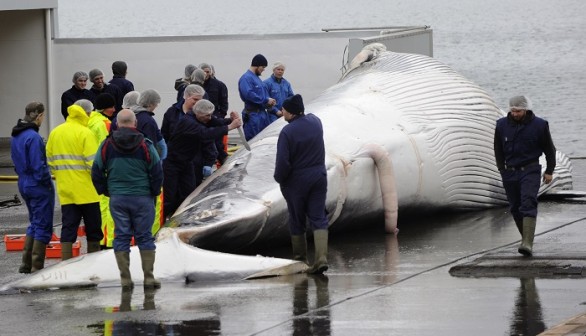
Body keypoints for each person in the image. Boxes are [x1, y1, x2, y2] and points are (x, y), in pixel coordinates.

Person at [92, 109, 164, 289]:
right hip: (143, 198)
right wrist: (153, 191)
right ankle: (148, 278)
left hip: (118, 198)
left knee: (121, 236)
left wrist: (107, 191)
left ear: (117, 123)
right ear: (135, 123)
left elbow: (96, 171)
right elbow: (157, 171)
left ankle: (125, 279)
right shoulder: (146, 145)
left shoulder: (106, 145)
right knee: (145, 237)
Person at [494, 95, 556, 257]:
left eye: (518, 111)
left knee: (528, 201)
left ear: (526, 109)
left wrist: (550, 170)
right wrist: (502, 169)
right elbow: (498, 149)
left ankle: (527, 243)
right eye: (512, 111)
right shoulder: (501, 125)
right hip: (510, 171)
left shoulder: (540, 125)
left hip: (530, 169)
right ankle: (525, 239)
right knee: (515, 207)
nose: (514, 114)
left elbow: (550, 149)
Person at [274, 94, 329, 274]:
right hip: (319, 176)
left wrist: (280, 178)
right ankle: (321, 259)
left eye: (284, 110)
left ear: (290, 112)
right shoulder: (316, 122)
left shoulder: (287, 132)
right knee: (318, 216)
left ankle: (301, 259)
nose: (282, 113)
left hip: (297, 180)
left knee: (297, 218)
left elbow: (283, 162)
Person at [163, 99, 242, 219]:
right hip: (172, 163)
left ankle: (183, 218)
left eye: (210, 114)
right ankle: (164, 219)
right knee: (170, 195)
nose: (209, 118)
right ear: (198, 113)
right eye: (207, 115)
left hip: (187, 162)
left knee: (189, 192)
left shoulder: (201, 118)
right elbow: (205, 134)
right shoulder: (187, 122)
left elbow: (215, 122)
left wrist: (230, 120)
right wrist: (230, 127)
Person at [46, 104, 103, 260]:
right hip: (88, 191)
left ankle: (66, 262)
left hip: (66, 190)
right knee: (93, 230)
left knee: (68, 227)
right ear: (86, 113)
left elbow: (49, 160)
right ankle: (93, 262)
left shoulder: (56, 132)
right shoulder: (85, 133)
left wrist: (61, 175)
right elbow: (93, 164)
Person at [11, 102, 55, 273]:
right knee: (43, 224)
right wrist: (45, 182)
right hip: (37, 185)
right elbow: (39, 166)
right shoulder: (34, 137)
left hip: (23, 182)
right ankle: (37, 268)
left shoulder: (16, 135)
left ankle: (26, 263)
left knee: (34, 222)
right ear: (39, 116)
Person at [87, 93, 115, 249]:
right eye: (112, 106)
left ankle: (101, 239)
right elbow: (108, 148)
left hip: (91, 171)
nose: (114, 109)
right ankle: (108, 241)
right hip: (105, 171)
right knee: (108, 207)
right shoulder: (104, 124)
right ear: (106, 108)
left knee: (99, 207)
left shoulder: (89, 121)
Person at [238, 54, 276, 140]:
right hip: (253, 116)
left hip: (262, 114)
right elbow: (248, 94)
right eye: (262, 67)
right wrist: (266, 100)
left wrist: (269, 102)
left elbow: (263, 95)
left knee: (264, 140)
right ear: (257, 65)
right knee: (254, 141)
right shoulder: (246, 78)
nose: (263, 70)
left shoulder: (257, 79)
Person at [200, 62, 230, 165]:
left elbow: (224, 102)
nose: (206, 74)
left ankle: (222, 161)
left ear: (211, 72)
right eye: (203, 72)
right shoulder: (197, 86)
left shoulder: (219, 85)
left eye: (207, 71)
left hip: (215, 116)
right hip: (201, 118)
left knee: (217, 141)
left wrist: (220, 115)